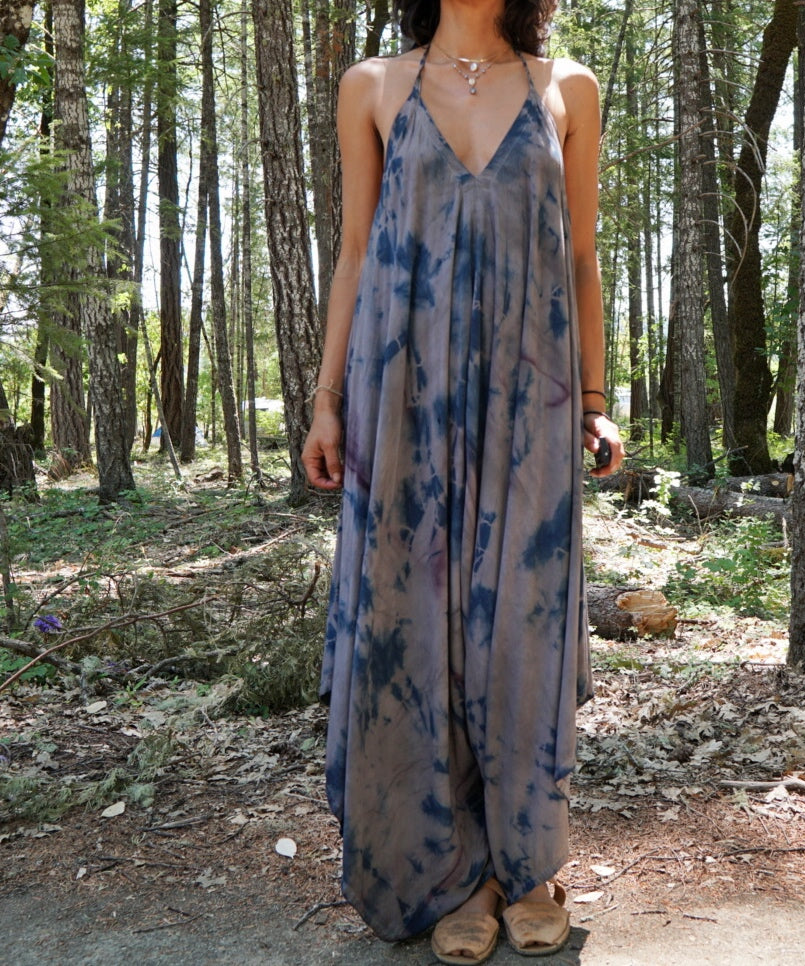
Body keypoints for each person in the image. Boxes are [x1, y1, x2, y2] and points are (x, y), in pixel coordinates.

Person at [301, 0, 624, 960]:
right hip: (401, 398)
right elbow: (354, 255)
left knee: (520, 625)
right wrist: (326, 402)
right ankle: (455, 874)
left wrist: (595, 398)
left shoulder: (567, 89)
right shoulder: (373, 86)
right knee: (414, 626)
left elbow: (580, 256)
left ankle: (529, 865)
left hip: (533, 402)